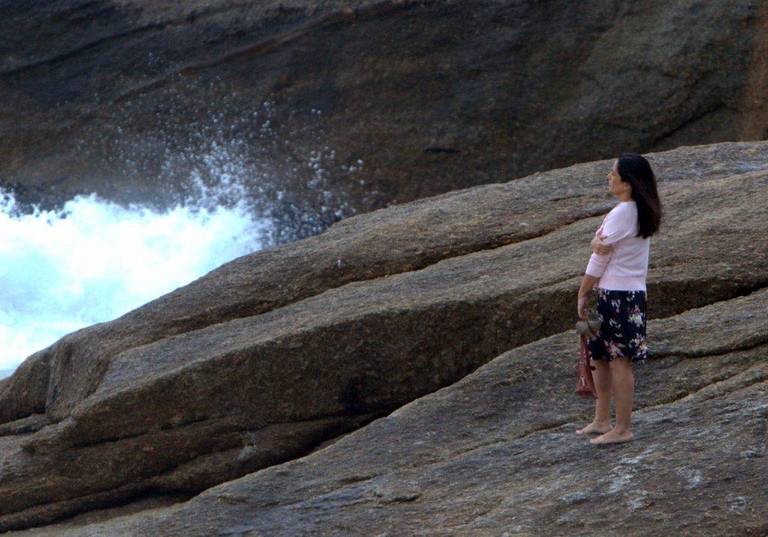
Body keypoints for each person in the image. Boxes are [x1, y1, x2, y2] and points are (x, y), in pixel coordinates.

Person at [575, 153, 663, 445]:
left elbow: (600, 256)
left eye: (613, 174)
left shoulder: (624, 212)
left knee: (619, 361)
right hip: (624, 293)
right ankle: (602, 419)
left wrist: (584, 290)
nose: (609, 177)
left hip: (619, 295)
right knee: (600, 356)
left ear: (628, 183)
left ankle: (622, 427)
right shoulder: (638, 210)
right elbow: (601, 245)